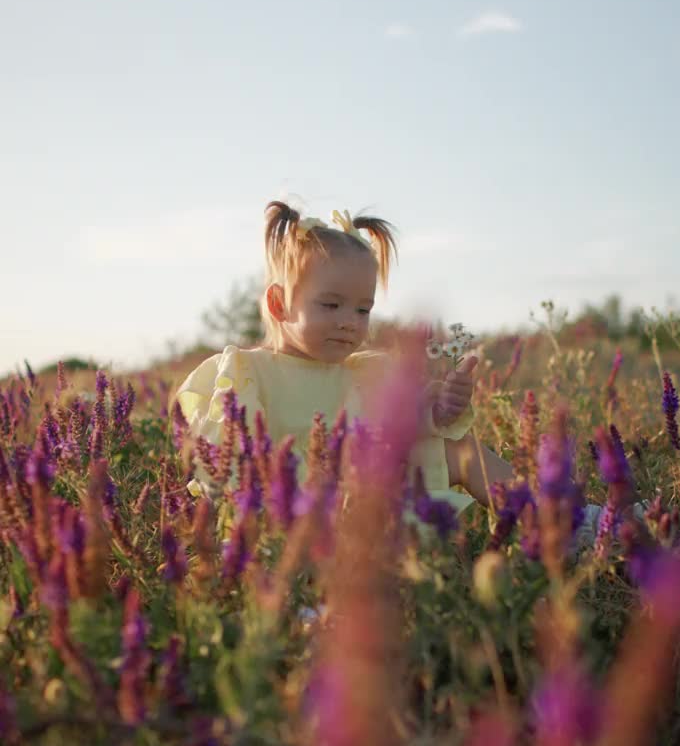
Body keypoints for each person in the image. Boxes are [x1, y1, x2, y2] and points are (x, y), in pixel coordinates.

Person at [175, 201, 513, 515]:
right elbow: (228, 462)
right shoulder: (248, 372)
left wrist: (441, 407)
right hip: (291, 514)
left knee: (458, 450)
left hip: (364, 507)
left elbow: (402, 428)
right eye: (331, 305)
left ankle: (552, 519)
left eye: (362, 309)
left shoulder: (364, 372)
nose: (349, 321)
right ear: (279, 304)